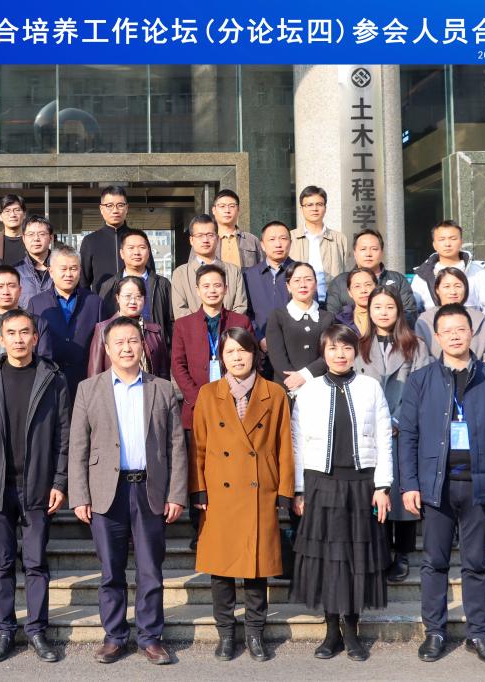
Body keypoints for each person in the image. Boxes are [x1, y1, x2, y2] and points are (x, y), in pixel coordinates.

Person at [398, 303, 485, 666]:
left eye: (460, 329)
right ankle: (434, 631)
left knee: (476, 563)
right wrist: (409, 485)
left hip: (480, 486)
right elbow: (408, 436)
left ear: (471, 333)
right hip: (437, 487)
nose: (454, 336)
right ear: (437, 337)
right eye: (447, 330)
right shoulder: (421, 380)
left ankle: (478, 634)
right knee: (434, 562)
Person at [69, 316, 187, 666]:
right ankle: (114, 636)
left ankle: (150, 637)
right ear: (107, 349)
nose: (126, 348)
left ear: (142, 345)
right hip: (107, 491)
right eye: (118, 342)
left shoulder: (162, 388)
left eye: (132, 340)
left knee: (150, 568)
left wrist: (176, 493)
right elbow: (78, 447)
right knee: (111, 570)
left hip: (149, 489)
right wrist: (80, 495)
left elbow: (176, 445)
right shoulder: (88, 389)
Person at [0, 309, 70, 663]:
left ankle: (37, 630)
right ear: (1, 339)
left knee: (36, 563)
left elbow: (64, 437)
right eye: (12, 333)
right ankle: (5, 630)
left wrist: (60, 481)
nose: (19, 339)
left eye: (25, 333)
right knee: (1, 562)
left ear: (35, 338)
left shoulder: (52, 378)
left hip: (37, 486)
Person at [190, 327, 294, 663]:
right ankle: (226, 634)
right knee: (221, 569)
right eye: (230, 351)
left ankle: (254, 634)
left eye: (243, 350)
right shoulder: (208, 393)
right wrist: (198, 488)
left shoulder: (274, 393)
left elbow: (284, 445)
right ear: (222, 358)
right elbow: (199, 445)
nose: (237, 357)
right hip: (219, 492)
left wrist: (285, 490)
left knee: (256, 568)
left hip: (260, 489)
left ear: (254, 354)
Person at [290, 324, 393, 662]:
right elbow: (297, 443)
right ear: (323, 352)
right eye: (333, 348)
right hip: (321, 483)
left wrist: (383, 485)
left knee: (355, 560)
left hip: (361, 484)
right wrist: (299, 490)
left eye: (346, 347)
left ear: (355, 351)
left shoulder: (370, 387)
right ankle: (331, 631)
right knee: (328, 561)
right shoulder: (308, 391)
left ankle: (352, 632)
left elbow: (383, 438)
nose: (340, 354)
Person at [171, 264, 254, 545]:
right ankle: (201, 530)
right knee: (200, 469)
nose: (212, 290)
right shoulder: (183, 325)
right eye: (206, 286)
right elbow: (178, 365)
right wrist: (199, 399)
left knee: (233, 468)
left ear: (226, 289)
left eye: (217, 285)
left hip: (236, 407)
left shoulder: (240, 322)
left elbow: (251, 359)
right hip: (197, 409)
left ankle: (233, 526)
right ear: (197, 290)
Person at [355, 286, 431, 583]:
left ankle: (403, 552)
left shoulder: (416, 345)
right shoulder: (358, 345)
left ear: (398, 310)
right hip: (370, 430)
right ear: (369, 311)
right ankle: (382, 550)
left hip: (406, 428)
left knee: (404, 489)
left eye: (389, 307)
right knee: (378, 489)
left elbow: (423, 387)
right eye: (377, 307)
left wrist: (399, 419)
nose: (383, 312)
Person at [28, 244, 106, 400]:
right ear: (51, 272)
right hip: (49, 380)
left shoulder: (94, 302)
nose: (68, 274)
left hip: (85, 380)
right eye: (63, 269)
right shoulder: (36, 303)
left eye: (73, 268)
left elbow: (103, 343)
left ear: (80, 271)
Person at [411, 220, 485, 333]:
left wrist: (482, 339)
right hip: (431, 339)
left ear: (461, 242)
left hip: (473, 338)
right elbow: (413, 313)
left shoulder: (480, 273)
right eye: (442, 239)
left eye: (453, 238)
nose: (447, 244)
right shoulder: (422, 276)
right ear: (434, 244)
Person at [264, 262, 336, 393]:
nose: (303, 285)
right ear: (288, 286)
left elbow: (330, 353)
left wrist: (306, 375)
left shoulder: (328, 318)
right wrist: (293, 381)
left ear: (315, 284)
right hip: (286, 387)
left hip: (320, 387)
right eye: (296, 280)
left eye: (308, 279)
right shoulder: (278, 316)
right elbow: (277, 356)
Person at [97, 228, 174, 345]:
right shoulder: (108, 286)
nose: (136, 252)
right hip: (121, 350)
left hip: (155, 348)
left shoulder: (162, 284)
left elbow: (171, 321)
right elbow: (103, 321)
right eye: (131, 248)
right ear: (122, 253)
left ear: (149, 252)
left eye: (142, 247)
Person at [325, 229, 418, 325]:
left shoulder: (398, 280)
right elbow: (332, 318)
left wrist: (386, 328)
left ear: (382, 252)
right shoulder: (340, 282)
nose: (368, 254)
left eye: (374, 249)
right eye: (363, 249)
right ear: (354, 253)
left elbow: (410, 314)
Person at [88, 275, 170, 379]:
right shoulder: (102, 329)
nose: (133, 301)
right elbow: (95, 373)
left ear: (144, 299)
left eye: (138, 296)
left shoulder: (155, 330)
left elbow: (164, 372)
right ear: (117, 298)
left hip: (148, 387)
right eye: (127, 296)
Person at [414, 267, 485, 366]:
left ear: (465, 288)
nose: (453, 291)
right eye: (446, 286)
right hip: (434, 374)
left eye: (458, 286)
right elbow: (422, 357)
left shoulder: (480, 319)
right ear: (437, 290)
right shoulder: (424, 320)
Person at [171, 213, 248, 317]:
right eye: (200, 236)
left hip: (230, 327)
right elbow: (180, 310)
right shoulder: (180, 274)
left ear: (217, 238)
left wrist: (223, 325)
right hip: (193, 328)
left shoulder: (234, 271)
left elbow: (240, 307)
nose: (205, 240)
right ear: (191, 240)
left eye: (210, 235)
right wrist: (203, 325)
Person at [79, 185, 155, 290]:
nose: (115, 210)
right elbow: (83, 282)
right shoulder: (90, 241)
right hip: (101, 300)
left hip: (135, 298)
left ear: (127, 208)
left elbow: (151, 274)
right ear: (101, 209)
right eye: (109, 205)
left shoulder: (138, 239)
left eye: (120, 205)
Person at [289, 186, 353, 305]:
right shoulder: (290, 238)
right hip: (299, 303)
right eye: (309, 205)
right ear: (301, 208)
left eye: (319, 204)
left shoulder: (340, 239)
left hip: (333, 303)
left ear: (325, 207)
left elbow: (348, 274)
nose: (314, 209)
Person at [243, 221, 296, 352]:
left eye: (283, 238)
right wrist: (259, 337)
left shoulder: (302, 272)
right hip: (260, 348)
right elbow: (246, 312)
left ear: (290, 242)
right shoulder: (249, 275)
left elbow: (310, 308)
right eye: (272, 239)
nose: (278, 244)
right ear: (262, 245)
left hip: (294, 347)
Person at [212, 189, 261, 269]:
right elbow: (193, 269)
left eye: (232, 206)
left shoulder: (252, 240)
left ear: (238, 210)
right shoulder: (205, 240)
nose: (227, 210)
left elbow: (262, 269)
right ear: (214, 210)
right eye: (222, 206)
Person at [16, 215, 56, 309]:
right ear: (23, 238)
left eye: (42, 234)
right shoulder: (15, 271)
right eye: (30, 234)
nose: (36, 239)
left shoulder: (62, 268)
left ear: (51, 238)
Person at [0, 194, 28, 264]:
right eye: (7, 211)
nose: (12, 215)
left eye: (17, 210)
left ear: (24, 214)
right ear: (0, 216)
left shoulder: (34, 241)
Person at [334, 267, 378, 336]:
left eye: (368, 285)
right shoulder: (341, 320)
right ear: (349, 292)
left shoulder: (386, 316)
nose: (363, 290)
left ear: (376, 287)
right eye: (357, 286)